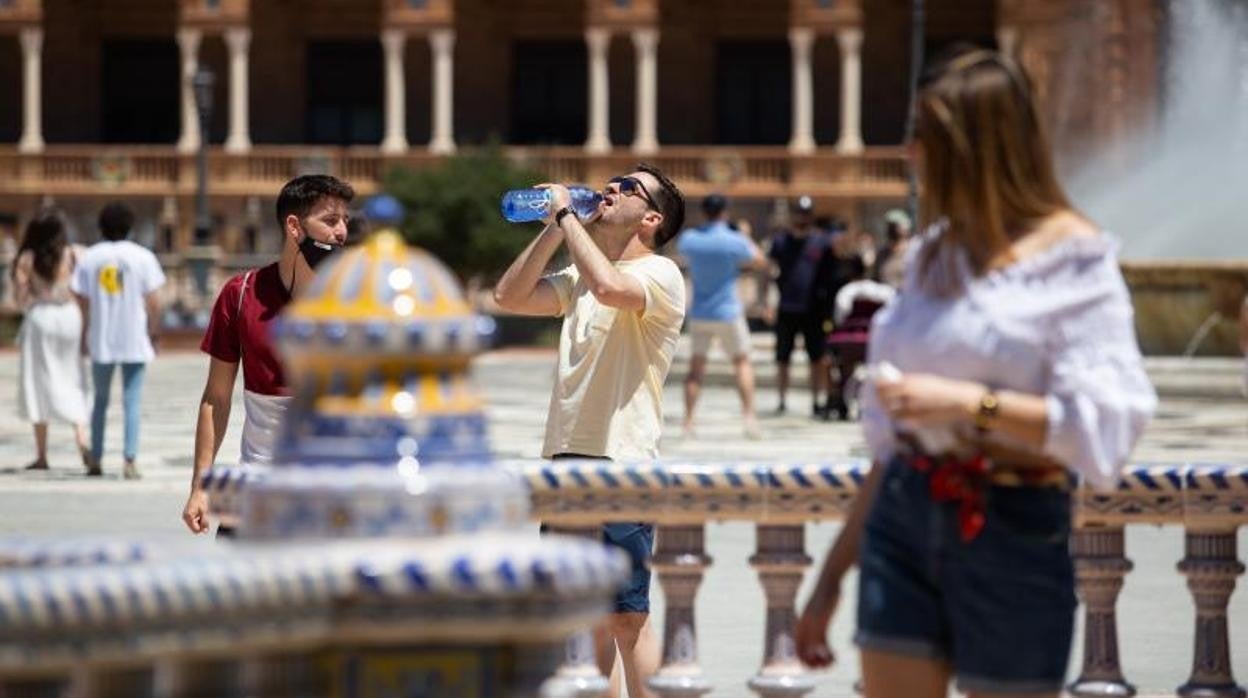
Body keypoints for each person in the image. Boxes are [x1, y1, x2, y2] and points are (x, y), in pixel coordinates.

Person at [794, 47, 1156, 697]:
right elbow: (892, 442)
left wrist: (969, 404)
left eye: (924, 137)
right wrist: (829, 578)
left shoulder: (1073, 258)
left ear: (977, 145)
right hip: (904, 513)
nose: (909, 154)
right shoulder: (935, 256)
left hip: (1012, 520)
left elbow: (1106, 422)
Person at [493, 164, 686, 698]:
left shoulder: (661, 275)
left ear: (650, 217)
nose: (614, 187)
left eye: (630, 187)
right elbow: (508, 297)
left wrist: (564, 214)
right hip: (567, 459)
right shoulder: (578, 274)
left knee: (627, 616)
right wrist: (555, 227)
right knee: (579, 614)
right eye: (616, 179)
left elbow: (610, 287)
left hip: (622, 461)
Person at [182, 175, 355, 536]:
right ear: (294, 227)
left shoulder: (356, 303)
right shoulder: (241, 294)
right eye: (330, 220)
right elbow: (216, 397)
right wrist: (200, 486)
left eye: (345, 221)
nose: (341, 233)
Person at [71, 202, 166, 479]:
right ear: (130, 226)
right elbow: (154, 300)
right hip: (133, 337)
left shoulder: (91, 257)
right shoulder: (142, 256)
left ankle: (96, 458)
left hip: (102, 337)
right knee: (131, 401)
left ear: (101, 226)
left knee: (99, 401)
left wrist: (85, 331)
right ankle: (129, 459)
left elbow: (81, 298)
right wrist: (154, 329)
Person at [676, 193, 767, 439]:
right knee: (742, 362)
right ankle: (749, 418)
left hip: (700, 311)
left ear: (703, 212)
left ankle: (688, 422)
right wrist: (745, 234)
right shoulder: (733, 239)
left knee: (696, 368)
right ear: (725, 212)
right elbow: (759, 260)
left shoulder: (691, 239)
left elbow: (681, 253)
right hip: (728, 311)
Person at [12, 211, 90, 472]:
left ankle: (42, 454)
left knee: (38, 381)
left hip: (40, 317)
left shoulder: (27, 258)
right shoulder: (73, 255)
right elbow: (82, 292)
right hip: (69, 316)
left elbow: (20, 297)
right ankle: (81, 439)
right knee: (72, 376)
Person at [768, 196, 833, 417]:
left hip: (813, 309)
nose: (802, 217)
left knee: (816, 358)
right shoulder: (781, 241)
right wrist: (767, 302)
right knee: (782, 358)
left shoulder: (822, 242)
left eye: (806, 213)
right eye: (799, 213)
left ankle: (817, 400)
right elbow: (770, 271)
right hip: (787, 307)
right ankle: (782, 400)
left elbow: (831, 274)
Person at [826, 255, 895, 420]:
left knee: (842, 365)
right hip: (875, 340)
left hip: (851, 341)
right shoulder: (884, 291)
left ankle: (841, 399)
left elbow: (840, 316)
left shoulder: (846, 291)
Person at [875, 208, 913, 288]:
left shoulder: (913, 250)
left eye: (896, 226)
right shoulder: (882, 253)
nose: (893, 230)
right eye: (891, 226)